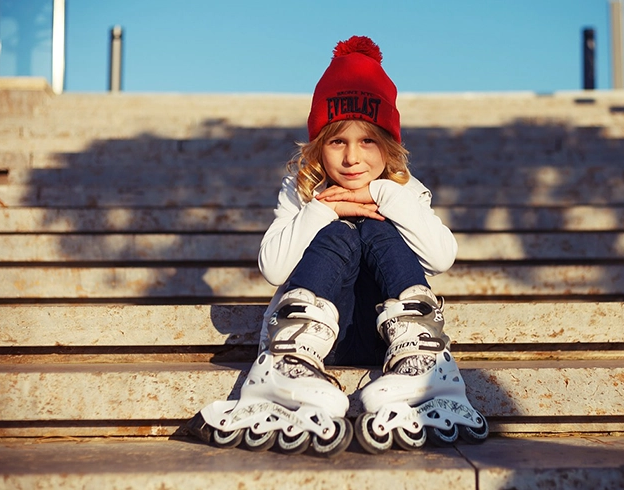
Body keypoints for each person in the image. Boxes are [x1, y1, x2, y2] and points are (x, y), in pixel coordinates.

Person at [188, 35, 487, 457]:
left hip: (388, 338)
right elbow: (273, 268)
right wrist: (322, 211)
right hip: (315, 335)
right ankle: (286, 364)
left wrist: (383, 198)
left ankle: (423, 360)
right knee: (341, 230)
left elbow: (440, 257)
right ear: (318, 146)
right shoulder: (302, 190)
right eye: (337, 142)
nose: (352, 159)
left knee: (377, 230)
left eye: (367, 141)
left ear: (389, 146)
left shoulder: (405, 190)